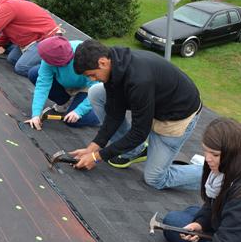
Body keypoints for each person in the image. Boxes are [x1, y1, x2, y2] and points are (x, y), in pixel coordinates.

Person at [70, 40, 202, 184]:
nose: (92, 79)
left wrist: (97, 157)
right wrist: (93, 147)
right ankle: (134, 151)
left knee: (155, 179)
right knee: (96, 92)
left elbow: (139, 133)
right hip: (154, 103)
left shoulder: (139, 80)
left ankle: (220, 174)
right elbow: (114, 113)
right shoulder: (115, 65)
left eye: (92, 75)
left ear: (102, 62)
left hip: (175, 117)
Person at [0, 0, 60, 77]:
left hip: (46, 38)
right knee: (12, 58)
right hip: (35, 39)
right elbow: (3, 39)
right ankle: (42, 61)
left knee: (21, 68)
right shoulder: (11, 8)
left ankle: (55, 72)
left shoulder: (6, 7)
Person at [25, 37, 99, 130]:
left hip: (89, 88)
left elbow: (97, 88)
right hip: (68, 85)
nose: (65, 66)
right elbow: (42, 86)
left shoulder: (85, 54)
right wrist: (36, 114)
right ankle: (65, 102)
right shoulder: (49, 55)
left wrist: (79, 111)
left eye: (67, 63)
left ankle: (103, 114)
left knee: (74, 120)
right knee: (34, 73)